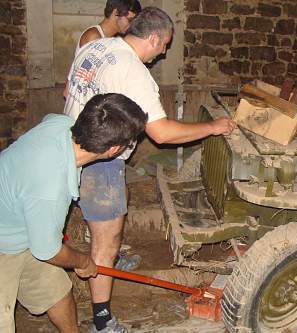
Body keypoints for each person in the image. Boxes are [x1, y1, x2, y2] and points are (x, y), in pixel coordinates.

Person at [63, 6, 237, 333]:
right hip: (99, 161)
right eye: (165, 44)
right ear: (153, 37)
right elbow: (162, 133)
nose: (164, 51)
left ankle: (108, 257)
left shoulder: (97, 46)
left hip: (70, 143)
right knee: (104, 240)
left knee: (109, 221)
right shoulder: (134, 72)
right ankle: (102, 319)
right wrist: (212, 127)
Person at [0, 93, 148, 333]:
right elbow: (48, 250)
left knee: (57, 291)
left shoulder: (61, 123)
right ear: (113, 149)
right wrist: (83, 261)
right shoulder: (49, 187)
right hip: (4, 245)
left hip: (22, 230)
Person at [64, 0, 142, 99]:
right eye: (129, 20)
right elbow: (87, 79)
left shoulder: (110, 40)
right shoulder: (94, 36)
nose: (131, 25)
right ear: (115, 12)